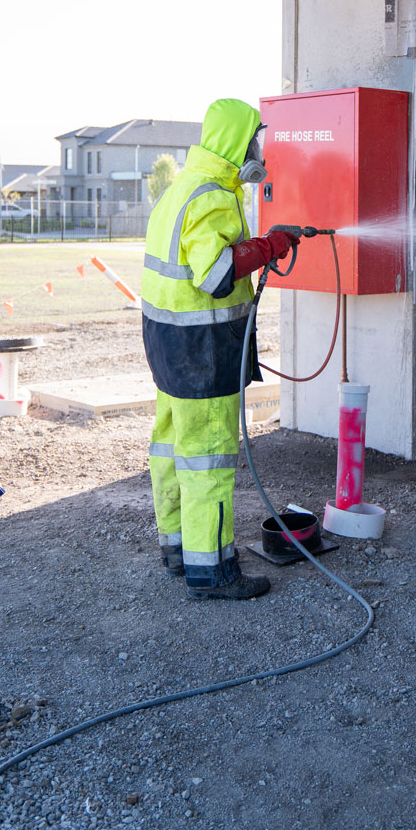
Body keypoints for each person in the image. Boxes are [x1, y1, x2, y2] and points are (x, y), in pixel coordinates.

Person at [140, 98, 293, 600]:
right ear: (235, 142)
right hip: (201, 351)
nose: (259, 150)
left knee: (171, 448)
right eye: (254, 139)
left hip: (168, 345)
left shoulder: (180, 189)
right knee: (208, 457)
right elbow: (217, 275)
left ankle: (180, 552)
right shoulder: (213, 198)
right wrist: (271, 245)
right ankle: (214, 573)